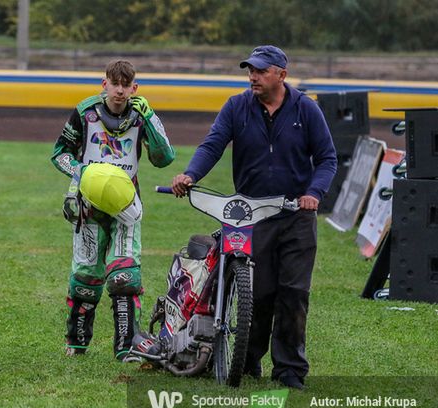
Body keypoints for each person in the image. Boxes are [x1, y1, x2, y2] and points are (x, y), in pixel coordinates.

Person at [172, 45, 337, 389]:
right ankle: (248, 360)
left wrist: (314, 194)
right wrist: (191, 175)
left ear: (282, 75)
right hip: (250, 215)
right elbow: (213, 145)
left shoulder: (306, 110)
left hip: (295, 215)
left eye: (261, 71)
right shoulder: (236, 106)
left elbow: (326, 159)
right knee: (257, 294)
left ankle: (290, 369)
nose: (253, 77)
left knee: (293, 293)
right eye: (250, 70)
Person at [51, 60, 175, 361]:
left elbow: (164, 158)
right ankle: (77, 343)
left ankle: (126, 345)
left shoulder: (141, 115)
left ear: (135, 88)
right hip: (89, 207)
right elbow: (59, 154)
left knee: (125, 277)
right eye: (114, 83)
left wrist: (151, 118)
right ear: (104, 84)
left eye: (126, 85)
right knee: (86, 278)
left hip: (125, 206)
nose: (119, 91)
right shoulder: (85, 113)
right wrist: (81, 174)